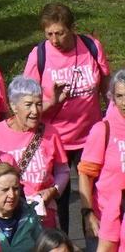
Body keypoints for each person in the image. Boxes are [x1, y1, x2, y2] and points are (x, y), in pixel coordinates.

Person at [20, 3, 109, 227]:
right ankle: (63, 244)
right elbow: (27, 107)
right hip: (55, 140)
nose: (54, 40)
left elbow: (106, 87)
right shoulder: (39, 55)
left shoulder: (91, 47)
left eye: (59, 33)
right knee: (59, 201)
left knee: (95, 196)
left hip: (90, 137)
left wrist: (110, 119)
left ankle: (95, 241)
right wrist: (52, 102)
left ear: (72, 29)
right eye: (49, 34)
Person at [0, 76, 69, 223]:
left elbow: (63, 171)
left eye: (39, 104)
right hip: (9, 216)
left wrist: (53, 191)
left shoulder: (50, 133)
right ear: (14, 106)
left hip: (43, 215)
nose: (35, 111)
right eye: (28, 105)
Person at [74, 69, 125, 252]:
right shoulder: (103, 129)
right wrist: (88, 213)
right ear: (113, 98)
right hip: (105, 219)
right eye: (120, 96)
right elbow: (86, 174)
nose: (124, 102)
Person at [0, 160, 45, 252]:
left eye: (15, 188)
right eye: (5, 189)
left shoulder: (30, 215)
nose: (12, 195)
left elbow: (42, 247)